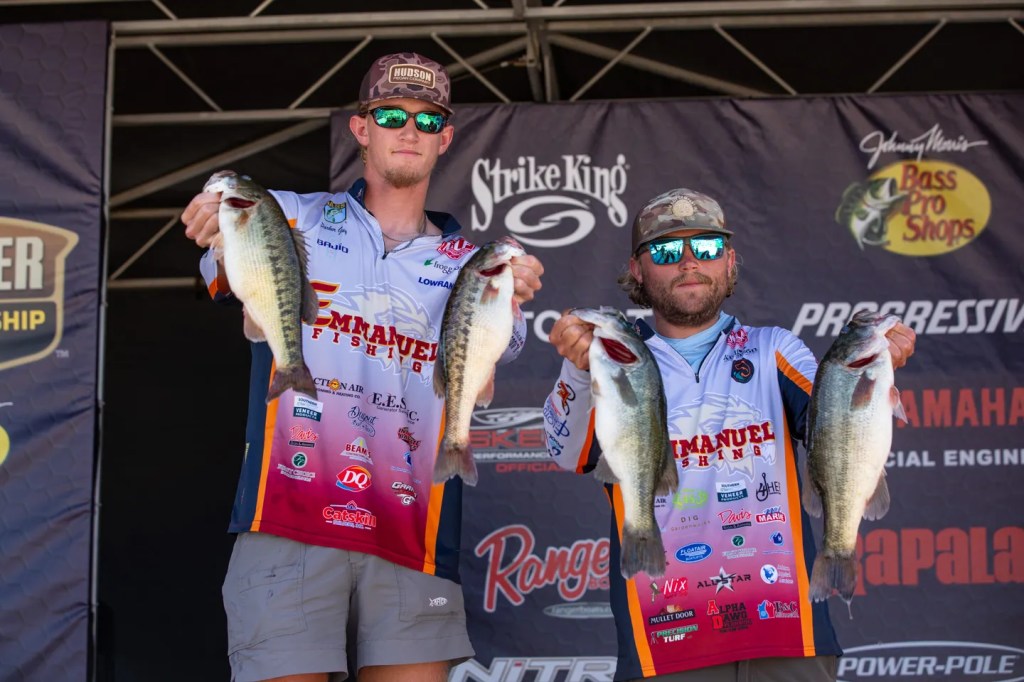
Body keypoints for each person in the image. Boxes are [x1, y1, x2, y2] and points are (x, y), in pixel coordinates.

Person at [181, 52, 544, 682]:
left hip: (414, 529)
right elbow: (220, 271)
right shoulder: (288, 214)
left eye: (427, 120)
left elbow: (490, 363)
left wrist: (513, 292)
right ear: (361, 128)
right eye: (391, 115)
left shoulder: (473, 264)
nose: (410, 130)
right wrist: (213, 223)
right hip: (287, 515)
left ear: (445, 138)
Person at [542, 188, 915, 682]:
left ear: (730, 260)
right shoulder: (614, 355)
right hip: (665, 636)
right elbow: (568, 454)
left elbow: (831, 428)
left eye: (708, 247)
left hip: (787, 630)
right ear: (637, 269)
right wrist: (576, 371)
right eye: (667, 251)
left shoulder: (774, 349)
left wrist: (869, 373)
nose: (690, 262)